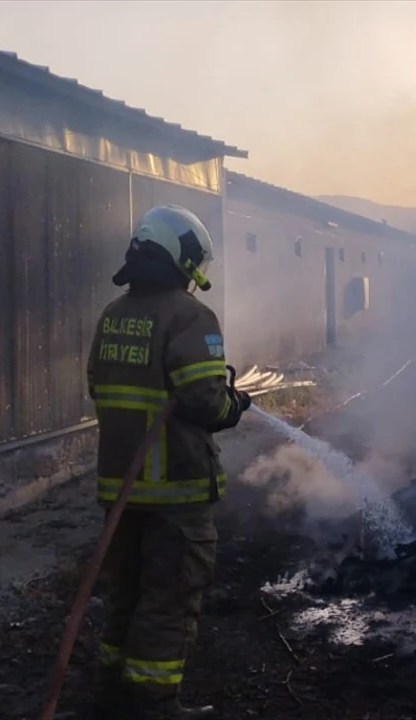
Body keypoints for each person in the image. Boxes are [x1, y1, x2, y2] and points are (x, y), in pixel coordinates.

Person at [86, 205, 251, 719]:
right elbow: (205, 402)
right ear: (183, 260)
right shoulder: (189, 316)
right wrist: (234, 406)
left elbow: (97, 384)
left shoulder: (114, 314)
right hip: (175, 491)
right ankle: (156, 706)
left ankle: (113, 699)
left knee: (126, 596)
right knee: (169, 601)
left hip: (122, 490)